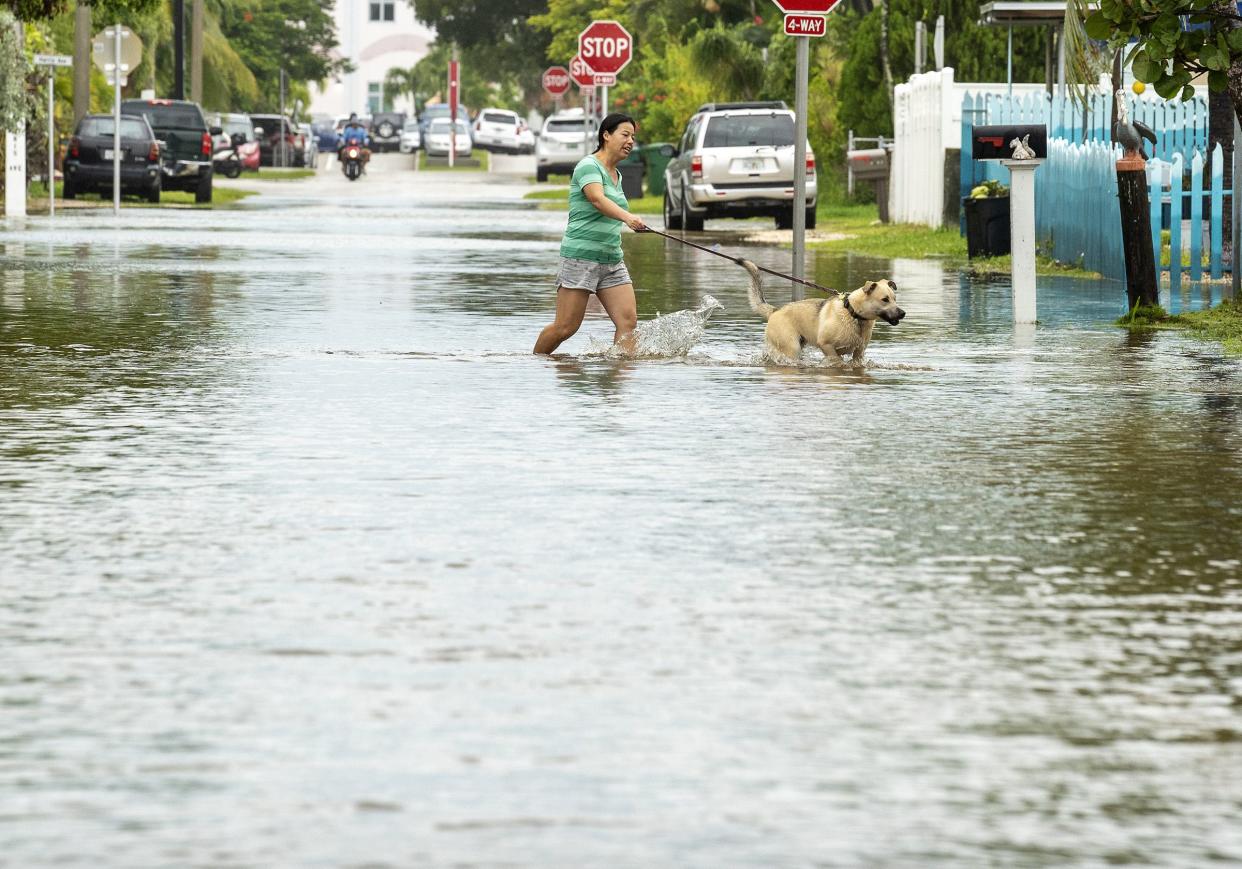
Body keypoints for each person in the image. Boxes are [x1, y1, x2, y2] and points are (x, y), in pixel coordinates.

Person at [533, 113, 647, 355]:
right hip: (580, 258)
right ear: (606, 135)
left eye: (633, 137)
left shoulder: (618, 175)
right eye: (624, 135)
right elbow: (597, 199)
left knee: (628, 323)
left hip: (612, 259)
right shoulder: (588, 166)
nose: (630, 141)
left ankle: (619, 382)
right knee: (565, 327)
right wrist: (628, 218)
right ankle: (536, 363)